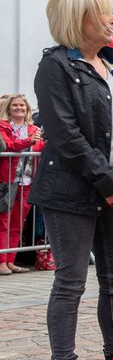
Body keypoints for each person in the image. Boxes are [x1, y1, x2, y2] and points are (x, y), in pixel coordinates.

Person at [29, 0, 113, 360]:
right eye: (105, 12)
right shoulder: (55, 66)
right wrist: (108, 182)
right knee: (71, 282)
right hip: (69, 191)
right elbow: (64, 134)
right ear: (81, 18)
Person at [0, 94, 45, 275]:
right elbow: (9, 146)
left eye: (22, 106)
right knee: (4, 222)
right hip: (7, 180)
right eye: (15, 105)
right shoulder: (3, 126)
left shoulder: (34, 128)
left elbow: (39, 147)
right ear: (8, 109)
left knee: (18, 223)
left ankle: (10, 260)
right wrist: (29, 141)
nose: (19, 108)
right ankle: (1, 261)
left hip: (27, 180)